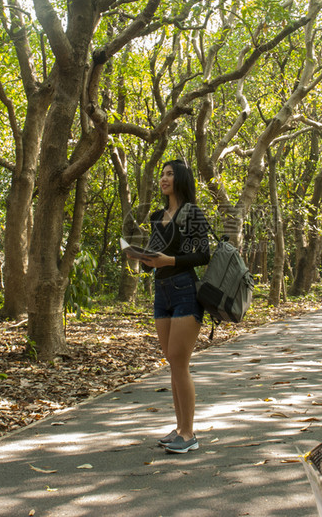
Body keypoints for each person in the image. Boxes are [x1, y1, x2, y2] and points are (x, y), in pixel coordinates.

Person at [142, 159, 211, 454]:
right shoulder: (158, 216)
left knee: (180, 363)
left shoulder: (191, 213)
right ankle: (180, 428)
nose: (164, 179)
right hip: (161, 292)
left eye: (170, 174)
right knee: (173, 362)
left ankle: (189, 433)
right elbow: (153, 255)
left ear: (181, 178)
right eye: (162, 174)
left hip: (185, 290)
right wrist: (143, 260)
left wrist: (168, 261)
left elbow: (204, 255)